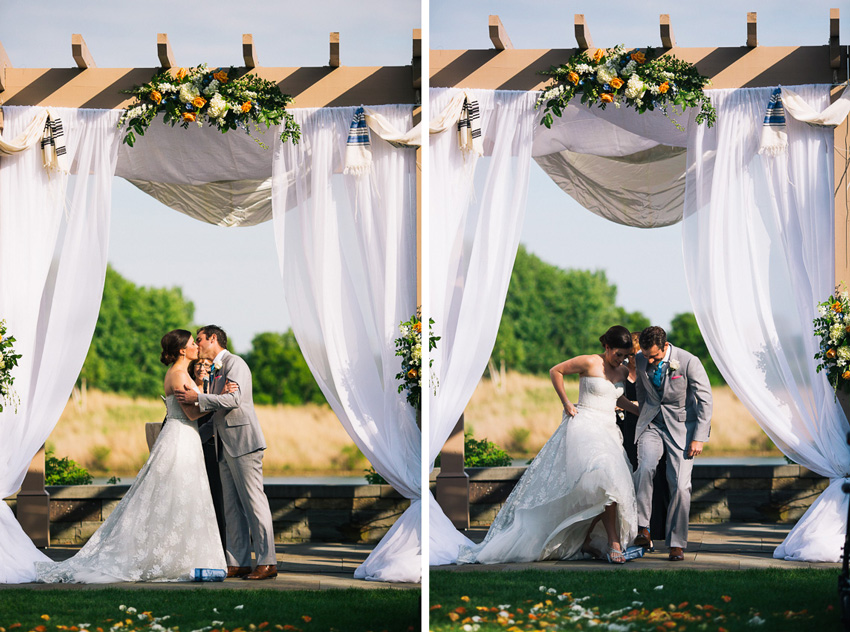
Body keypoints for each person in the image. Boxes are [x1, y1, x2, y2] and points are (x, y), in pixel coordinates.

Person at [35, 330, 226, 582]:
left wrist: (201, 389)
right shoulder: (178, 375)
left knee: (182, 495)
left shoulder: (181, 374)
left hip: (184, 438)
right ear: (182, 350)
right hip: (180, 437)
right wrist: (219, 401)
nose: (195, 347)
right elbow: (191, 414)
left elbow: (193, 404)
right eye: (192, 344)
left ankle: (181, 553)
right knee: (175, 492)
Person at [456, 326, 642, 565]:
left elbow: (618, 398)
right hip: (585, 425)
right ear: (607, 347)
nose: (622, 359)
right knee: (604, 472)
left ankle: (586, 539)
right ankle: (614, 543)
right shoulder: (588, 362)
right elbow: (556, 371)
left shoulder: (623, 370)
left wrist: (639, 409)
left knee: (610, 484)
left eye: (625, 356)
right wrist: (566, 402)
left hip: (608, 429)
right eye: (618, 354)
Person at [175, 325, 277, 580]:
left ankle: (267, 562)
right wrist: (187, 439)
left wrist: (197, 399)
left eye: (199, 340)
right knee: (232, 508)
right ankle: (238, 562)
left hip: (243, 443)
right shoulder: (214, 374)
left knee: (254, 503)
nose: (197, 346)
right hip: (223, 446)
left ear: (213, 338)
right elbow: (217, 412)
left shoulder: (235, 363)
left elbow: (234, 401)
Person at [632, 326, 712, 562]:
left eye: (654, 356)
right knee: (645, 468)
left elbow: (705, 399)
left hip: (682, 429)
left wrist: (699, 436)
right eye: (645, 356)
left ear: (665, 347)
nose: (649, 360)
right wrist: (643, 418)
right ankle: (643, 529)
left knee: (680, 485)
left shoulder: (688, 361)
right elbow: (641, 391)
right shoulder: (640, 359)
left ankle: (676, 543)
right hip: (652, 425)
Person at [617, 333, 669, 550]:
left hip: (650, 427)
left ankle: (655, 528)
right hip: (623, 428)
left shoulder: (649, 370)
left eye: (635, 353)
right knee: (627, 474)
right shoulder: (619, 371)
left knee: (652, 474)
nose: (633, 358)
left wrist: (634, 404)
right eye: (630, 355)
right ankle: (631, 527)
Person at [187, 357, 232, 553]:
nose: (203, 368)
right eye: (199, 364)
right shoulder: (187, 389)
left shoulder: (215, 390)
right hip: (193, 446)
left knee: (217, 497)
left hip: (213, 449)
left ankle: (222, 546)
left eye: (207, 364)